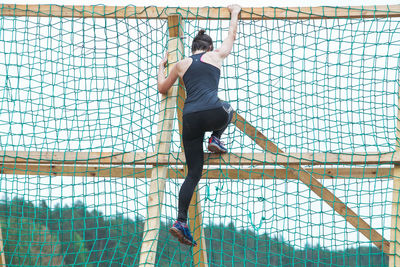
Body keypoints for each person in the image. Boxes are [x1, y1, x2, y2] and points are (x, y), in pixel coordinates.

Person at [157, 4, 241, 246]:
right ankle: (216, 137)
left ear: (193, 48)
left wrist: (161, 68)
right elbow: (231, 37)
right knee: (229, 109)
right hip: (214, 112)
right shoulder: (216, 56)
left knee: (193, 173)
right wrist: (234, 14)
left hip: (190, 120)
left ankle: (181, 220)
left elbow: (163, 89)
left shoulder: (181, 64)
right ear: (209, 48)